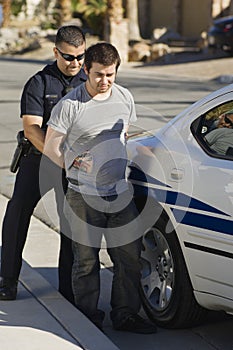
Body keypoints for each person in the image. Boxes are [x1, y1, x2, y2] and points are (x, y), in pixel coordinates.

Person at [44, 42, 157, 334]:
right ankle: (88, 318)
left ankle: (125, 315)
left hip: (120, 192)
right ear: (86, 70)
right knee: (85, 262)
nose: (105, 81)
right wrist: (74, 162)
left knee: (129, 258)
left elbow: (126, 135)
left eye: (110, 74)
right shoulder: (70, 105)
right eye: (98, 75)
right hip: (83, 196)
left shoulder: (124, 97)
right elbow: (51, 147)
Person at [0, 25, 86, 303]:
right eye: (69, 57)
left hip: (73, 164)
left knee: (71, 225)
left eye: (80, 57)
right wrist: (59, 158)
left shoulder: (90, 81)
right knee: (17, 214)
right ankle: (7, 280)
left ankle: (68, 290)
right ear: (55, 52)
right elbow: (32, 130)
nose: (75, 63)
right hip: (39, 159)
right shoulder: (39, 82)